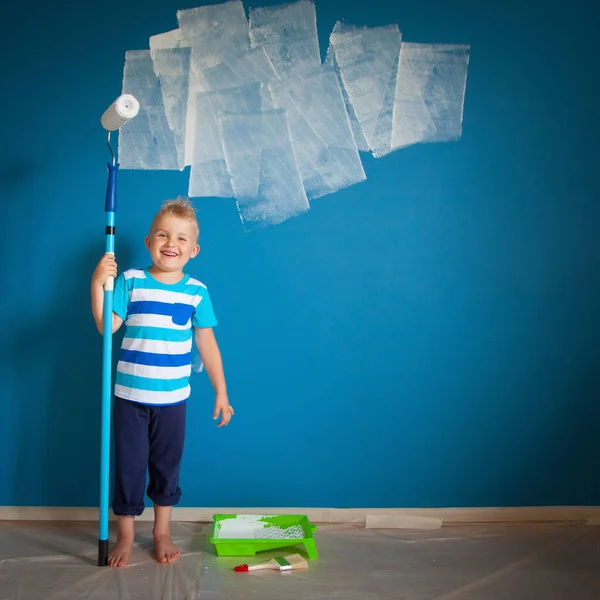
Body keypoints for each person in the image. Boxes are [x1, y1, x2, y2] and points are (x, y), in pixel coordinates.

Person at [91, 197, 232, 568]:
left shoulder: (196, 292)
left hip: (172, 399)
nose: (172, 243)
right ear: (149, 242)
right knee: (129, 468)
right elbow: (107, 327)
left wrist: (221, 391)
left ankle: (161, 531)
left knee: (166, 466)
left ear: (194, 250)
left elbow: (207, 343)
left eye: (182, 239)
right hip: (130, 397)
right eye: (163, 235)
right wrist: (97, 283)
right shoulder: (131, 281)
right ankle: (125, 535)